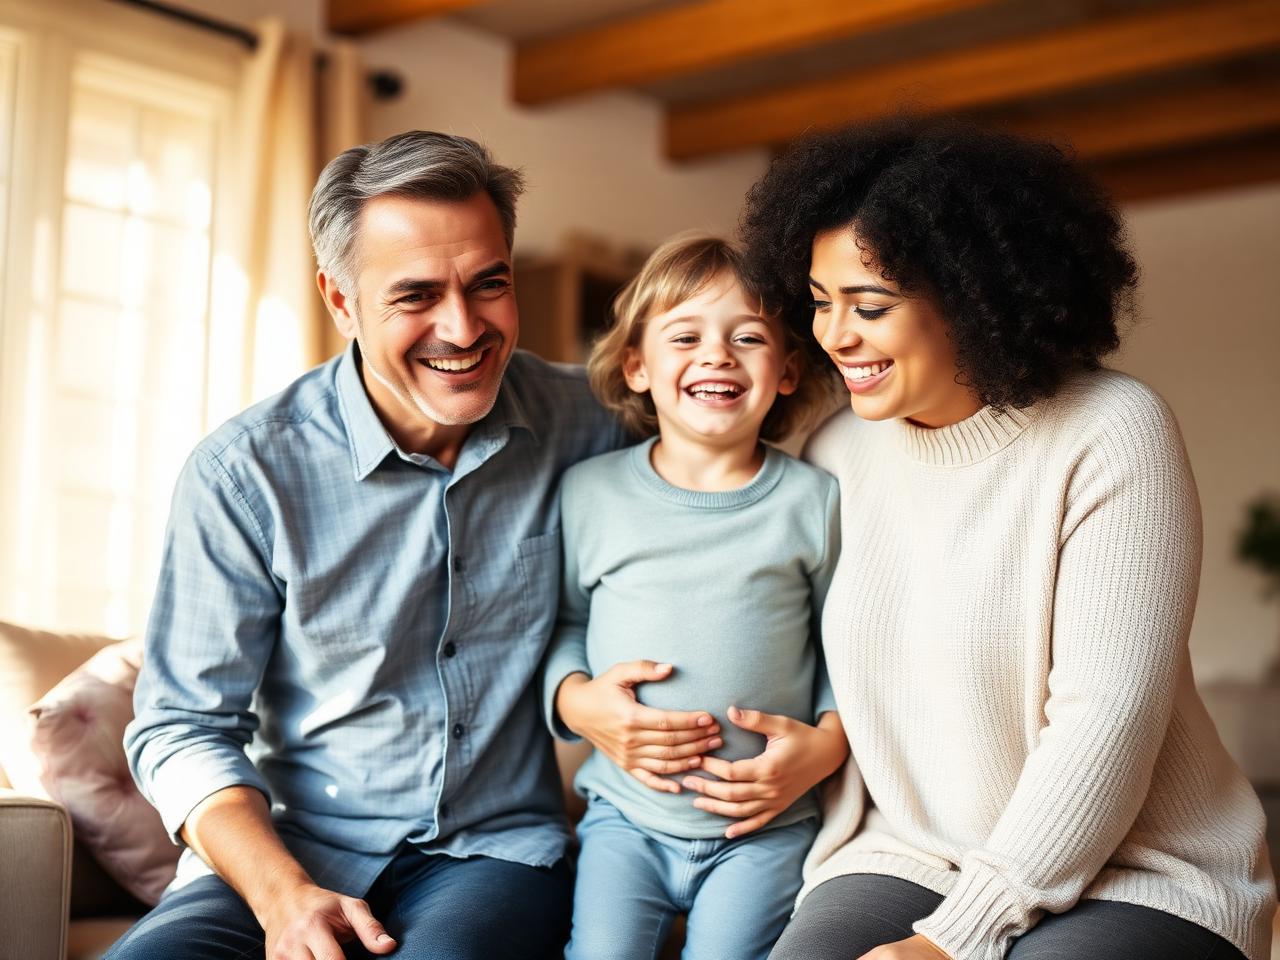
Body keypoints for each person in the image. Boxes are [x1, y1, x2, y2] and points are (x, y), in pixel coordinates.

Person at [738, 116, 1277, 960]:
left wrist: (959, 939)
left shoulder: (1109, 431)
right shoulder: (835, 452)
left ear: (972, 293)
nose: (834, 335)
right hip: (915, 852)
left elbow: (1105, 720)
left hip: (1145, 870)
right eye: (819, 300)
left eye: (869, 305)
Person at [108, 131, 626, 960]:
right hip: (287, 849)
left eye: (488, 283)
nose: (463, 327)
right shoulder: (245, 473)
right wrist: (282, 898)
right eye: (415, 295)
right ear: (340, 300)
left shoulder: (596, 423)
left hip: (494, 854)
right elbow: (179, 726)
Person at [543, 235, 851, 960]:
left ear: (786, 372)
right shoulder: (590, 494)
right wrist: (575, 700)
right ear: (637, 366)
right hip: (624, 817)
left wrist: (828, 746)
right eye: (686, 336)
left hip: (763, 827)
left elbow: (849, 647)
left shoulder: (814, 501)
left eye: (748, 337)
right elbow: (564, 623)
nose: (717, 355)